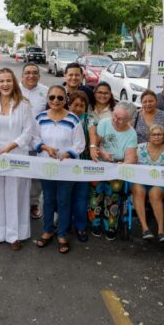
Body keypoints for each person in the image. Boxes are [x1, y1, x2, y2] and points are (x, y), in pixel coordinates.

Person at [0, 68, 35, 250]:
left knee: (15, 193)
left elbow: (28, 132)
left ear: (14, 82)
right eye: (1, 81)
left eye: (8, 81)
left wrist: (11, 146)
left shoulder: (24, 104)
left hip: (15, 154)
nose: (5, 84)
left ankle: (14, 235)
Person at [33, 85, 85, 254]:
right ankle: (48, 230)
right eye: (52, 97)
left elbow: (80, 144)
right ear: (48, 99)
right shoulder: (40, 118)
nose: (56, 101)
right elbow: (33, 138)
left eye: (60, 98)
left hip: (66, 169)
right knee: (48, 199)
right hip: (46, 166)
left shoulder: (73, 120)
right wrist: (45, 147)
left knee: (64, 200)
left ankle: (62, 234)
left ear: (66, 100)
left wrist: (68, 154)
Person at [88, 103, 138, 240]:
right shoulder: (104, 123)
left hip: (116, 169)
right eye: (115, 116)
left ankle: (111, 226)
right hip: (99, 165)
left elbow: (131, 157)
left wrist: (123, 164)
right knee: (95, 196)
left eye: (121, 119)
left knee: (113, 198)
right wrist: (102, 153)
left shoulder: (131, 134)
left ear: (129, 120)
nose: (116, 120)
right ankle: (95, 223)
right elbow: (95, 145)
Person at [131, 124, 164, 243]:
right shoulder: (139, 148)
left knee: (155, 193)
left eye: (159, 134)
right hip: (140, 180)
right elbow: (132, 167)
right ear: (148, 136)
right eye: (153, 134)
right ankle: (145, 228)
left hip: (160, 181)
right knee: (139, 190)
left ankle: (161, 230)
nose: (156, 137)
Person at [20, 63, 48, 220]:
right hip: (17, 140)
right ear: (22, 75)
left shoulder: (45, 91)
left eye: (35, 73)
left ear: (39, 75)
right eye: (28, 72)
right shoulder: (14, 90)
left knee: (36, 175)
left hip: (37, 140)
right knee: (18, 172)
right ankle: (18, 203)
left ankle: (34, 204)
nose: (31, 75)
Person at [68, 90, 92, 242]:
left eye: (81, 105)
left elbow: (93, 137)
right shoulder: (63, 117)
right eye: (75, 105)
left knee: (81, 197)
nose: (78, 108)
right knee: (65, 196)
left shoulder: (89, 121)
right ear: (69, 105)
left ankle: (81, 226)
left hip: (84, 165)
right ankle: (64, 222)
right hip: (66, 165)